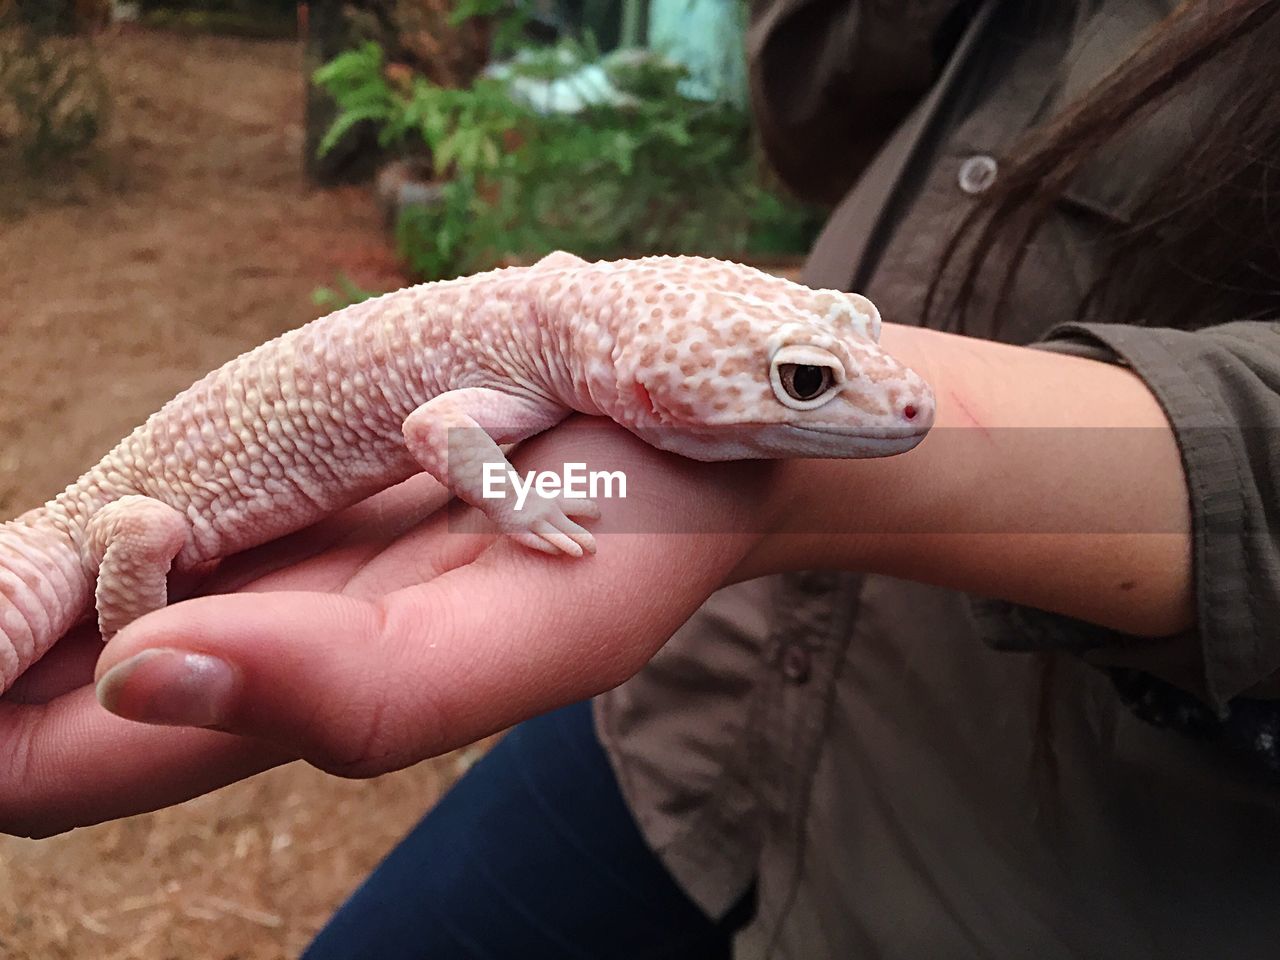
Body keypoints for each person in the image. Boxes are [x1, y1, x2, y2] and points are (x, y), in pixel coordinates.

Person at [3, 0, 1279, 956]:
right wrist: (516, 502)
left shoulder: (580, 331)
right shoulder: (530, 377)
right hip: (124, 533)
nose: (896, 403)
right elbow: (447, 441)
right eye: (801, 379)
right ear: (640, 377)